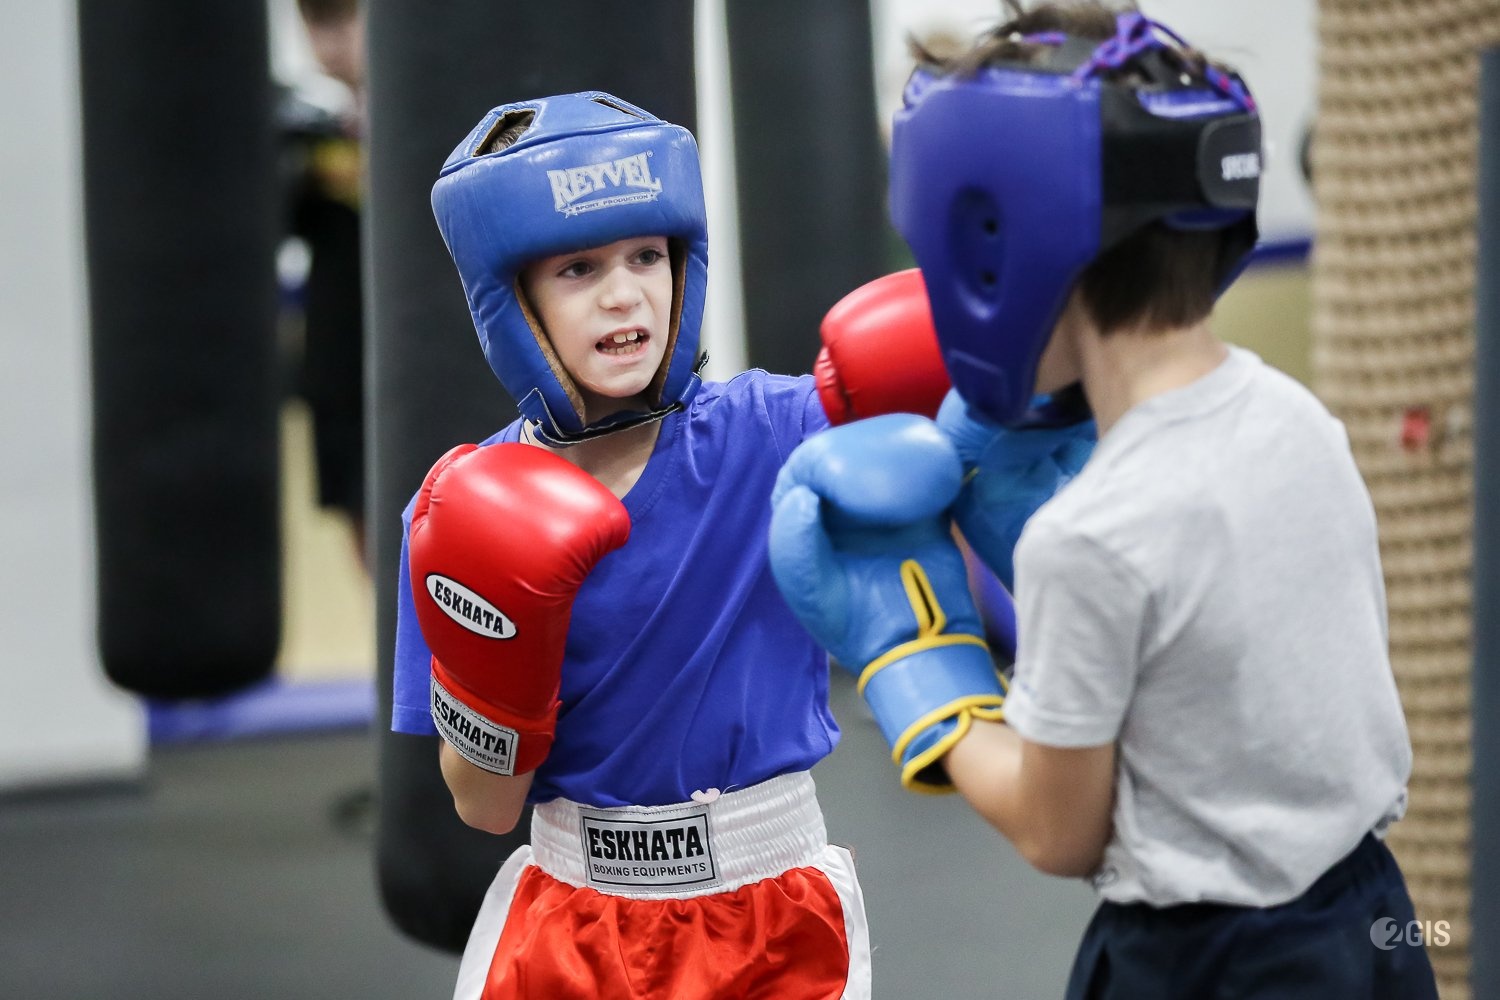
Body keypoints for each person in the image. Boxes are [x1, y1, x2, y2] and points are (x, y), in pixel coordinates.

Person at [770, 4, 1439, 998]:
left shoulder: (1094, 537)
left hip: (1206, 962)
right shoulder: (1298, 418)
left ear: (1007, 249)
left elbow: (1058, 827)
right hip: (1372, 921)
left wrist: (920, 673)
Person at [389, 90, 971, 999]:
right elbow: (482, 802)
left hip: (768, 907)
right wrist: (503, 675)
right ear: (513, 300)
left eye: (646, 256)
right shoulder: (458, 513)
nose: (626, 293)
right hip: (569, 913)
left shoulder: (778, 430)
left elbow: (984, 382)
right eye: (579, 268)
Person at [280, 0, 368, 560]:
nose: (327, 41)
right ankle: (389, 641)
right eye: (315, 24)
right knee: (356, 504)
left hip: (421, 353)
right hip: (337, 349)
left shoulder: (447, 125)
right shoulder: (308, 136)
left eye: (341, 20)